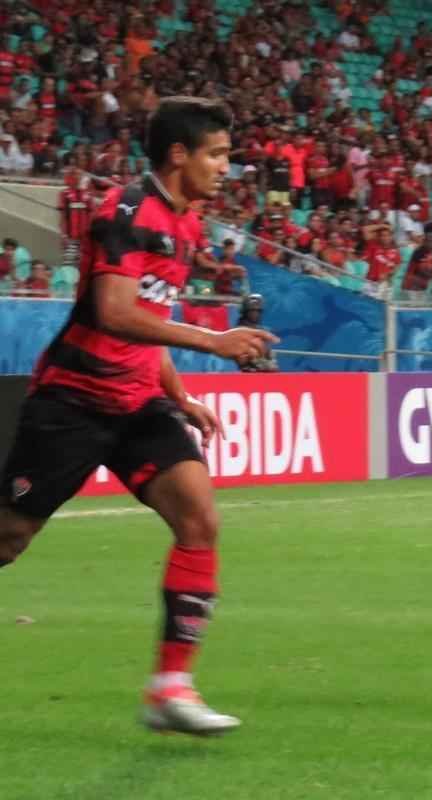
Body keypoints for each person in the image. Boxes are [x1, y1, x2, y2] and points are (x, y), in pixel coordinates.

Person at [0, 97, 277, 736]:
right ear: (178, 154)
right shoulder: (123, 213)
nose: (225, 167)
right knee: (9, 539)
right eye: (217, 153)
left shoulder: (188, 225)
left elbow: (145, 330)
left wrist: (179, 398)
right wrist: (214, 341)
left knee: (198, 518)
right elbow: (114, 312)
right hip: (73, 398)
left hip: (136, 402)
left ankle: (170, 687)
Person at [237, 294, 279, 372]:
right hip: (246, 372)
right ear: (245, 312)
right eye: (252, 310)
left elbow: (268, 353)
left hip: (263, 370)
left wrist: (271, 363)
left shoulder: (263, 331)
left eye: (258, 311)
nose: (255, 314)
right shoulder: (239, 331)